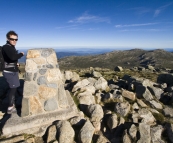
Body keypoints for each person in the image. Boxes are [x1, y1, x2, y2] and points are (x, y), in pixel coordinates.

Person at [2, 31, 24, 114]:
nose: (14, 41)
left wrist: (16, 63)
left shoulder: (11, 47)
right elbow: (12, 57)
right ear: (7, 39)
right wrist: (21, 54)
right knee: (13, 89)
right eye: (12, 39)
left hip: (12, 70)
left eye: (16, 39)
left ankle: (12, 103)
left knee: (14, 88)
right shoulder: (7, 47)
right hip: (9, 72)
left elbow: (10, 59)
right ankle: (10, 107)